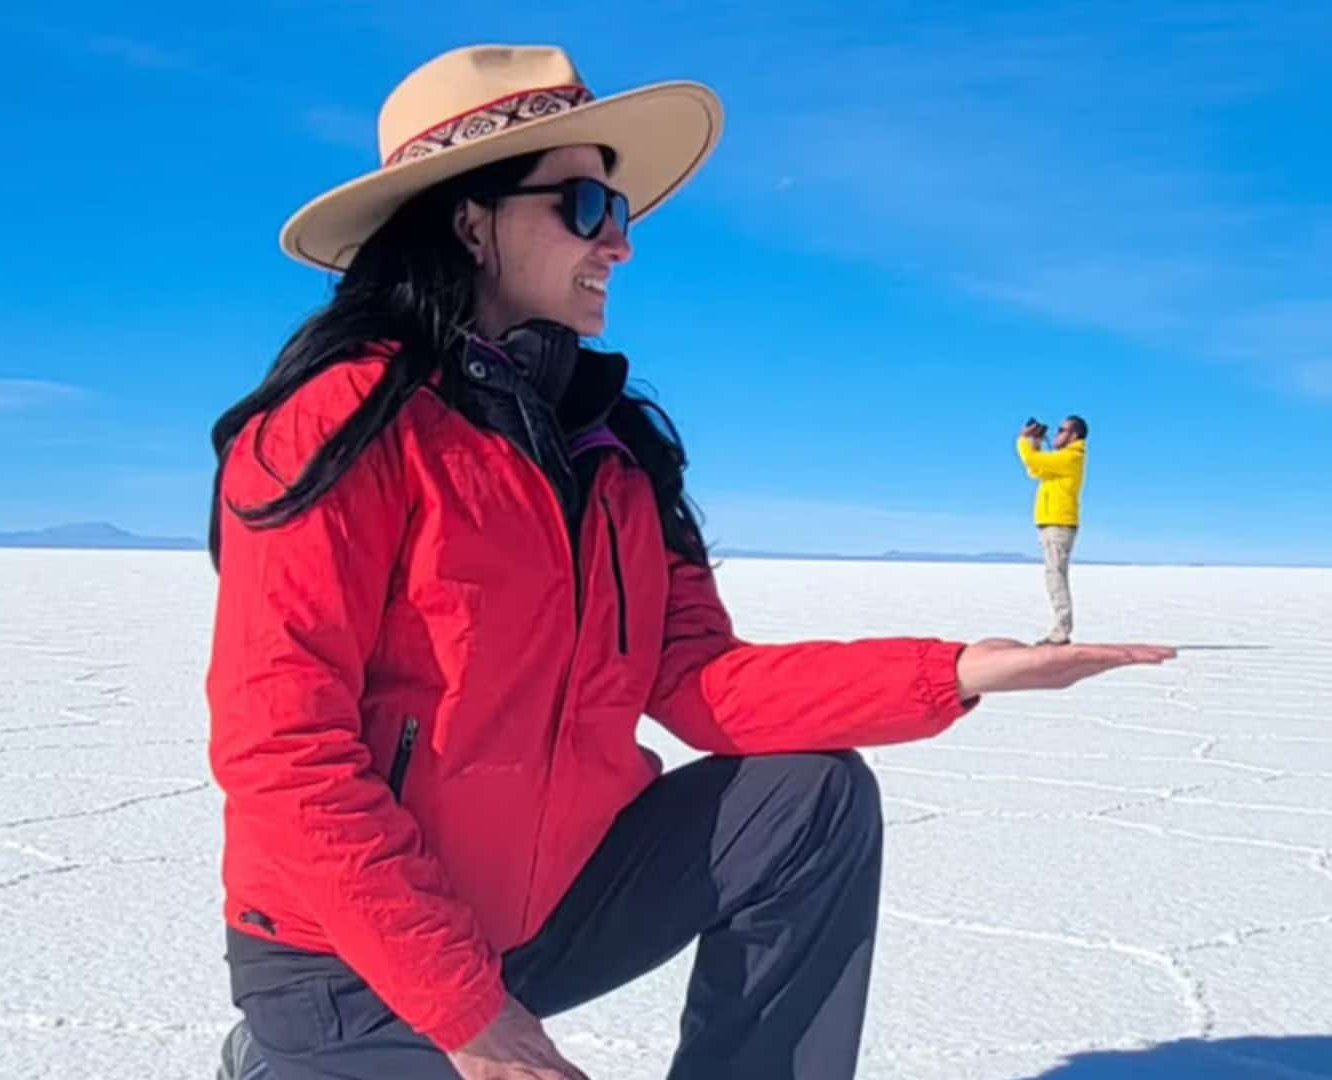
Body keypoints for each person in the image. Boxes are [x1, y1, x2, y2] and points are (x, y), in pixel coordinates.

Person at [205, 44, 1173, 1080]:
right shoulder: (340, 427)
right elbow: (283, 751)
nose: (619, 244)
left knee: (809, 799)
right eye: (584, 206)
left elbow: (701, 683)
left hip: (543, 916)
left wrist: (957, 670)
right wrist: (471, 1019)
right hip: (350, 960)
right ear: (471, 222)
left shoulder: (612, 449)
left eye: (619, 209)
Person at [1017, 416, 1089, 645]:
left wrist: (1024, 439)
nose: (1056, 434)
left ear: (1073, 435)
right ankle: (1061, 630)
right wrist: (1036, 443)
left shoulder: (1072, 457)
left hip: (1059, 524)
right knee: (1054, 576)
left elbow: (1031, 459)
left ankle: (1061, 632)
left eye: (1061, 430)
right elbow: (1036, 469)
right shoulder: (1062, 459)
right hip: (1051, 523)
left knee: (1056, 577)